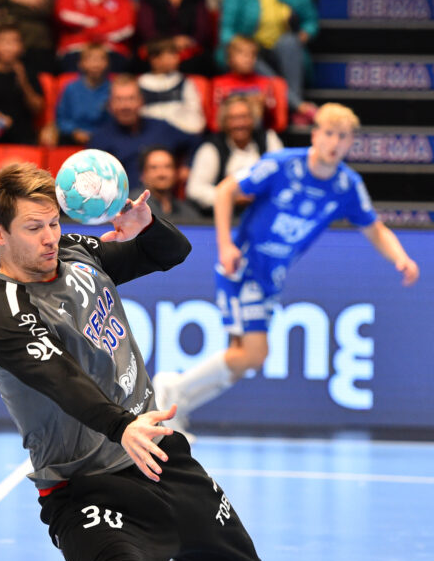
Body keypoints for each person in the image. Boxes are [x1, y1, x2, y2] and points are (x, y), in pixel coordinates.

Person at [0, 161, 263, 561]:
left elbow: (169, 252)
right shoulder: (3, 312)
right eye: (34, 228)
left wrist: (147, 225)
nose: (50, 237)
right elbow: (63, 380)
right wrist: (122, 426)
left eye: (53, 223)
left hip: (154, 453)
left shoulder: (74, 253)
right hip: (82, 482)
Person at [154, 103, 420, 433]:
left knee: (241, 358)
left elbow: (375, 228)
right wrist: (225, 245)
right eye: (329, 134)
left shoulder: (347, 185)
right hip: (244, 267)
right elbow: (225, 190)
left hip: (272, 276)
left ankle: (175, 404)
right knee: (254, 354)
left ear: (351, 142)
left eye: (343, 137)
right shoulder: (282, 164)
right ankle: (172, 389)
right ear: (315, 135)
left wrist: (400, 257)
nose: (335, 143)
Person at [218, 0, 319, 124]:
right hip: (251, 51)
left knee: (289, 42)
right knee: (250, 55)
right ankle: (298, 106)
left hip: (283, 51)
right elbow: (226, 31)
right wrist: (241, 47)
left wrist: (304, 35)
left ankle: (292, 103)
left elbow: (311, 22)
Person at [89, 75, 205, 190]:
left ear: (141, 101)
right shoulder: (100, 139)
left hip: (163, 198)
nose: (125, 106)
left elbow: (196, 142)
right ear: (110, 104)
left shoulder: (161, 128)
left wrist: (188, 166)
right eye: (119, 100)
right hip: (125, 199)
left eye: (131, 99)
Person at [186, 95, 283, 213]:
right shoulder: (211, 148)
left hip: (265, 210)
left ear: (253, 119)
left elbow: (282, 176)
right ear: (224, 122)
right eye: (233, 118)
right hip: (225, 214)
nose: (239, 124)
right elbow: (195, 189)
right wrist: (230, 197)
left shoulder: (268, 139)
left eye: (244, 117)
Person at [0, 23, 45, 144]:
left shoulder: (28, 73)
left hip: (23, 135)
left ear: (21, 47)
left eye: (13, 42)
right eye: (3, 41)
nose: (8, 47)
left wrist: (23, 82)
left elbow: (38, 108)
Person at [211, 35, 286, 133]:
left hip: (258, 135)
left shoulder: (265, 84)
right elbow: (214, 123)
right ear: (230, 58)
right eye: (242, 54)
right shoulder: (219, 84)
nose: (248, 58)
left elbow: (275, 123)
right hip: (227, 135)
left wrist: (265, 107)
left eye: (252, 54)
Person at [138, 38, 206, 135]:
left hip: (182, 133)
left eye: (176, 55)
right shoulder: (141, 84)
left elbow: (195, 112)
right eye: (171, 55)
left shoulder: (184, 82)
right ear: (154, 59)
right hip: (150, 135)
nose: (176, 58)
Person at [56, 43, 111, 145]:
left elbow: (114, 121)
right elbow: (61, 119)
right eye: (90, 59)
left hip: (105, 139)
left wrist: (98, 134)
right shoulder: (71, 89)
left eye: (101, 59)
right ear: (81, 63)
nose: (96, 64)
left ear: (107, 63)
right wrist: (74, 132)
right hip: (72, 138)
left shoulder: (113, 89)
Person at [132, 148, 203, 223]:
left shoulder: (188, 213)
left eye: (167, 167)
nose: (161, 173)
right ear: (142, 175)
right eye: (154, 167)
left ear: (176, 173)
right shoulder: (132, 207)